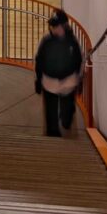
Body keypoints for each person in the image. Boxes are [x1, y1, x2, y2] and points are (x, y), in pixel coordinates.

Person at [34, 9, 84, 137]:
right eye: (52, 26)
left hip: (68, 82)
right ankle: (53, 135)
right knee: (51, 115)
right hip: (49, 82)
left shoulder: (72, 42)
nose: (54, 28)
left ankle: (66, 117)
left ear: (64, 25)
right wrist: (38, 81)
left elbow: (78, 61)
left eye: (57, 26)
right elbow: (39, 60)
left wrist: (79, 80)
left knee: (67, 116)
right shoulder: (46, 41)